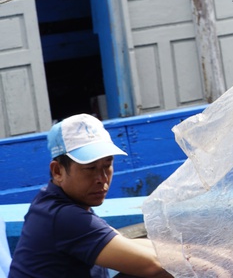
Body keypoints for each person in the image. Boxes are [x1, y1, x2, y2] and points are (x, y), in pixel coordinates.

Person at [8, 114, 173, 278]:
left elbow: (122, 242)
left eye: (107, 165)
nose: (102, 179)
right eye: (90, 168)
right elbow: (155, 267)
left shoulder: (51, 202)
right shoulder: (64, 216)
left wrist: (182, 249)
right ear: (58, 171)